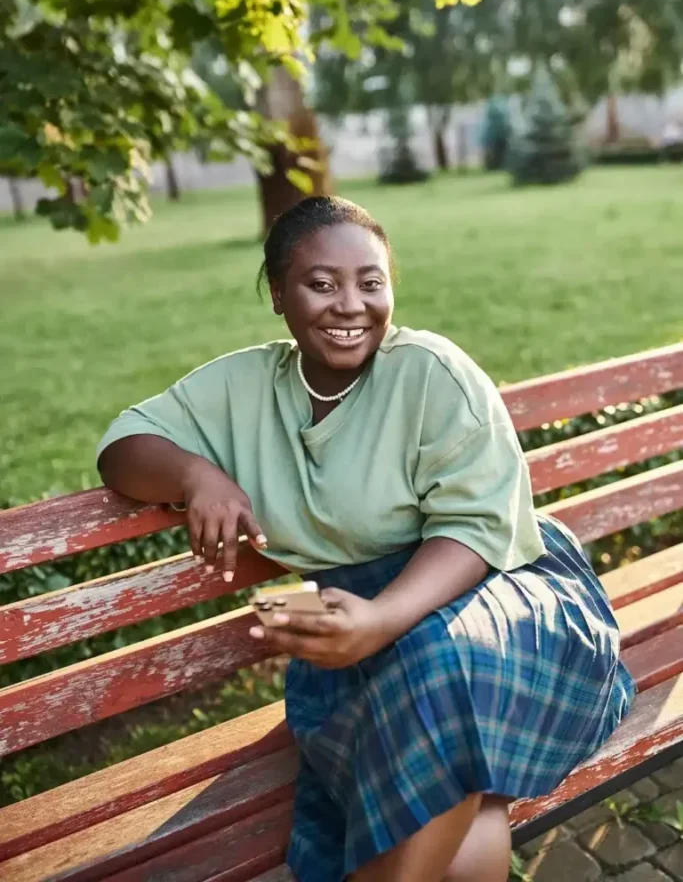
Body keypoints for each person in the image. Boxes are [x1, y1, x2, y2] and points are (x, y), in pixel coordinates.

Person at [97, 195, 635, 882]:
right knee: (467, 796)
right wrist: (197, 475)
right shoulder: (243, 386)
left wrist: (383, 619)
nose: (349, 305)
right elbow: (122, 446)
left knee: (439, 665)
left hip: (504, 595)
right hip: (360, 631)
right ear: (276, 294)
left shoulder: (430, 373)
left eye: (369, 282)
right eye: (320, 284)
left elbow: (475, 530)